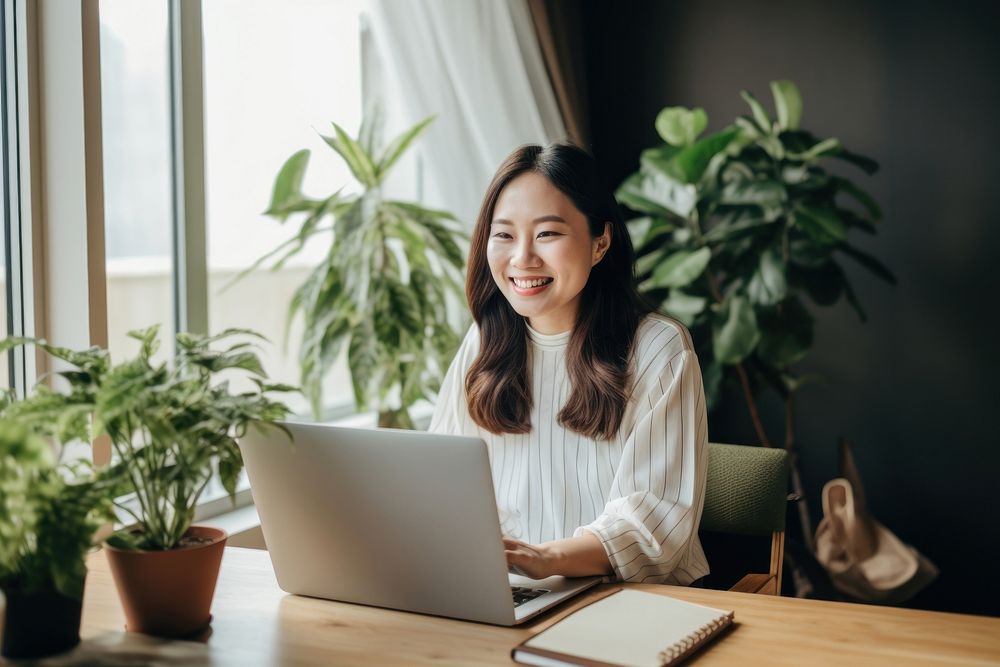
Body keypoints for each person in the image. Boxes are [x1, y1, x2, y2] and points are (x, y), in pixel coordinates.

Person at [429, 143, 709, 585]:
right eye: (504, 235)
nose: (523, 258)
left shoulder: (658, 348)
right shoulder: (484, 343)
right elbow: (441, 484)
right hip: (514, 592)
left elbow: (654, 524)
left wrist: (547, 558)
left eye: (547, 234)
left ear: (600, 243)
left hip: (631, 599)